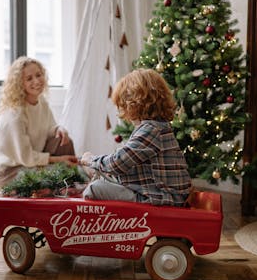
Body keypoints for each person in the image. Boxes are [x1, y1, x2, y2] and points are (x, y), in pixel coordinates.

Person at [80, 68, 192, 207]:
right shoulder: (157, 126)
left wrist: (91, 160)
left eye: (122, 106)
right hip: (155, 192)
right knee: (99, 175)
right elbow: (129, 164)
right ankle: (97, 174)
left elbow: (117, 163)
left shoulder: (151, 130)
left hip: (160, 198)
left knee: (94, 189)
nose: (122, 111)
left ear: (134, 104)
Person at [0, 56, 77, 187]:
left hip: (33, 162)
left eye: (39, 75)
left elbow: (49, 128)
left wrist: (59, 129)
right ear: (20, 83)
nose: (36, 81)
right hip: (12, 170)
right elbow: (26, 157)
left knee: (64, 141)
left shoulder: (41, 102)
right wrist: (59, 160)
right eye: (29, 78)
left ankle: (71, 180)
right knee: (57, 173)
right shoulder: (15, 115)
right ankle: (69, 181)